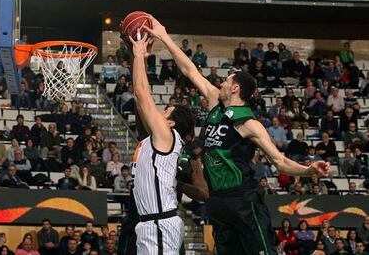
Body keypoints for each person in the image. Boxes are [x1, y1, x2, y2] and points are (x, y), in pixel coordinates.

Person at [144, 16, 330, 255]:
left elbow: (280, 162)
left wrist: (309, 170)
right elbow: (189, 69)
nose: (220, 83)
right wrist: (163, 36)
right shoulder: (214, 103)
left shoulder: (250, 123)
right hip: (217, 202)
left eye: (226, 81)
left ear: (235, 89)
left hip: (243, 200)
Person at [126, 31, 195, 255]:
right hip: (150, 224)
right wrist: (141, 58)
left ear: (171, 123)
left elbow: (141, 94)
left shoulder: (167, 136)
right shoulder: (155, 138)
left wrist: (138, 54)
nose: (161, 110)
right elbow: (141, 93)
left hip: (159, 223)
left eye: (166, 110)